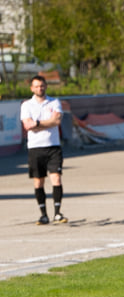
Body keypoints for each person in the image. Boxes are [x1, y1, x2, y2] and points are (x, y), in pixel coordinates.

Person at [20, 75, 67, 225]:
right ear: (32, 88)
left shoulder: (54, 102)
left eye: (42, 85)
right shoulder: (26, 105)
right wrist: (49, 122)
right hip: (35, 148)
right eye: (36, 86)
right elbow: (27, 125)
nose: (40, 88)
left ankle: (58, 213)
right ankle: (43, 214)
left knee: (56, 178)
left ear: (46, 86)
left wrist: (38, 123)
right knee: (38, 182)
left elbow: (57, 121)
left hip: (53, 146)